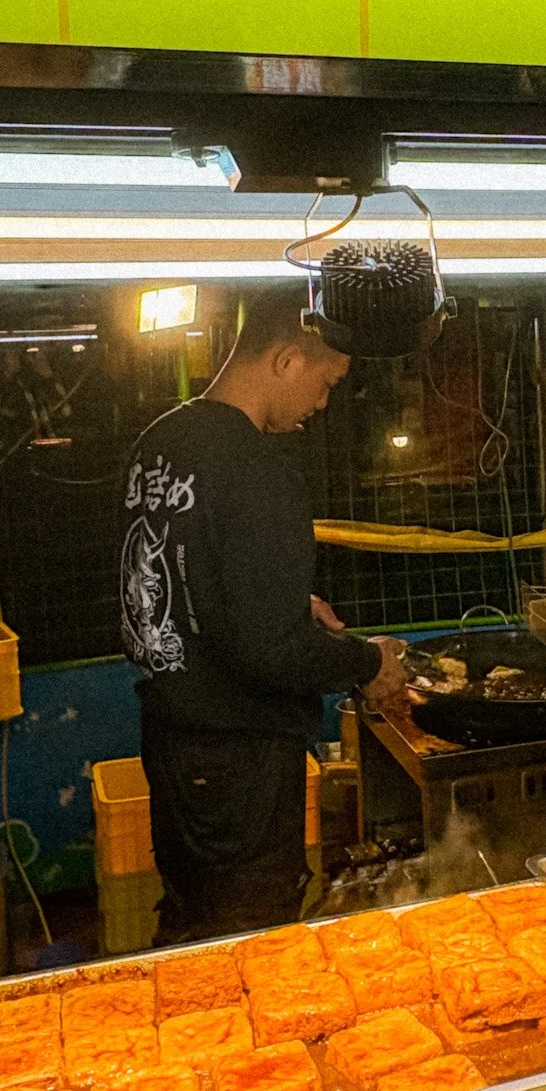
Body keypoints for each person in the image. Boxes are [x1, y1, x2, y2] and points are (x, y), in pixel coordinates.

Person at [120, 284, 407, 943]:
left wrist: (278, 598)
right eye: (327, 381)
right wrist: (368, 662)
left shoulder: (159, 442)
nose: (324, 402)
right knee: (250, 938)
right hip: (239, 761)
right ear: (285, 360)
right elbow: (270, 648)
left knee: (194, 918)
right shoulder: (257, 468)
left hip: (170, 739)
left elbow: (166, 571)